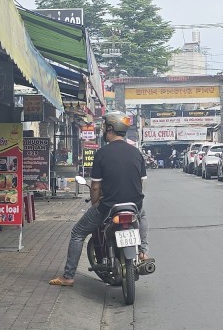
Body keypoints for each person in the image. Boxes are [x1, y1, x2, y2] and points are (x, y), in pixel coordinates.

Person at [49, 113, 151, 287]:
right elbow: (142, 183)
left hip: (109, 206)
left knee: (77, 233)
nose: (103, 130)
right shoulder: (136, 153)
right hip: (134, 205)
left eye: (104, 127)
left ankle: (68, 276)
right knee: (143, 216)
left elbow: (95, 187)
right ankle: (143, 251)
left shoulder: (102, 154)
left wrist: (96, 203)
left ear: (110, 129)